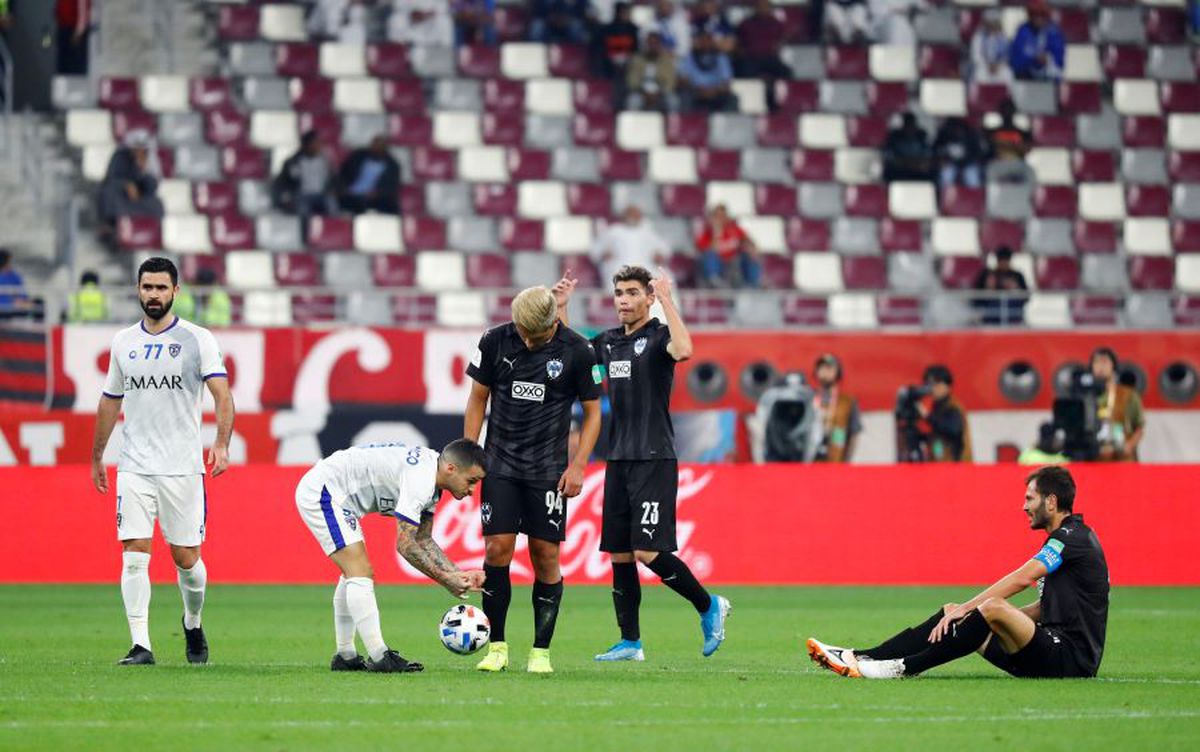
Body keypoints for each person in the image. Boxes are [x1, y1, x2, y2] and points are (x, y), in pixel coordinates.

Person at [557, 265, 730, 662]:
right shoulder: (609, 342)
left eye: (633, 293)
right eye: (619, 293)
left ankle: (709, 606)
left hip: (654, 457)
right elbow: (572, 352)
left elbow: (686, 351)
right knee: (619, 552)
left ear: (648, 299)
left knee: (646, 552)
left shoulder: (659, 337)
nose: (623, 300)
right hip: (618, 457)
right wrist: (563, 307)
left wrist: (668, 297)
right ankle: (631, 642)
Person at [809, 466, 1109, 679]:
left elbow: (1022, 578)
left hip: (1070, 661)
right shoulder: (1068, 539)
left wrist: (978, 610)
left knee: (985, 608)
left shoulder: (1071, 538)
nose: (1023, 506)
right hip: (1044, 655)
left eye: (1030, 499)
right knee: (957, 612)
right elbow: (1047, 608)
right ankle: (862, 656)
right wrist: (980, 617)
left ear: (1052, 502)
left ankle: (902, 668)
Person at [90, 257, 235, 666]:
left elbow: (222, 396)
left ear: (175, 292)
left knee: (186, 560)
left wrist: (221, 443)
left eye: (160, 288)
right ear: (138, 290)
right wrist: (99, 453)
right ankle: (141, 644)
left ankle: (192, 621)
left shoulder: (197, 339)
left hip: (182, 468)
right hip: (134, 465)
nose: (153, 295)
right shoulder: (123, 342)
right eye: (147, 287)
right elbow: (110, 400)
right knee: (134, 553)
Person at [464, 283, 602, 674]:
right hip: (501, 465)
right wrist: (469, 453)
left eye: (535, 335)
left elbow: (593, 413)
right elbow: (478, 398)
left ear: (554, 323)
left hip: (548, 471)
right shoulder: (494, 340)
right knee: (496, 551)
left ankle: (540, 651)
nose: (526, 339)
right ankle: (497, 647)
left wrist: (578, 465)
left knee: (546, 556)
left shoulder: (578, 350)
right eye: (521, 331)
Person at [294, 438, 488, 672]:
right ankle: (379, 656)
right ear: (451, 468)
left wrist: (457, 573)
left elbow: (423, 539)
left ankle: (346, 655)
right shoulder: (422, 480)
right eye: (471, 481)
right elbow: (405, 544)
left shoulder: (433, 479)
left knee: (353, 572)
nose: (472, 490)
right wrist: (446, 579)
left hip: (339, 495)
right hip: (325, 490)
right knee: (360, 571)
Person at [273, 130, 337, 239]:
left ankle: (331, 236)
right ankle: (305, 238)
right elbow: (282, 182)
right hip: (301, 195)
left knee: (332, 206)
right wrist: (285, 197)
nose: (318, 147)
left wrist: (332, 190)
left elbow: (332, 180)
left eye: (319, 143)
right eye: (314, 144)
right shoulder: (292, 162)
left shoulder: (324, 161)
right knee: (303, 210)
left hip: (321, 194)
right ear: (306, 145)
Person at [98, 131, 165, 231]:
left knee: (156, 205)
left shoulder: (149, 159)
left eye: (142, 148)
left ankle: (150, 231)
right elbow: (111, 178)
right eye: (137, 147)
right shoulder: (120, 156)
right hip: (120, 194)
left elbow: (151, 188)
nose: (139, 150)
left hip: (139, 198)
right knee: (107, 194)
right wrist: (126, 185)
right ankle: (112, 228)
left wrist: (143, 171)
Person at [1089, 347, 1145, 462]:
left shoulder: (1128, 395)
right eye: (1096, 362)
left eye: (1104, 362)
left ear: (1113, 366)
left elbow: (1139, 427)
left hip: (1122, 458)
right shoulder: (1085, 396)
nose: (1100, 367)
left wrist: (1129, 446)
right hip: (1093, 459)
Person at [590, 205, 671, 284]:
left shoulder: (648, 231)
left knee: (664, 280)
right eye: (630, 213)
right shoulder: (614, 231)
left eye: (636, 214)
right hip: (620, 270)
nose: (633, 216)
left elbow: (664, 249)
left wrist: (660, 255)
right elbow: (596, 251)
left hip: (646, 269)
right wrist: (603, 255)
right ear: (624, 216)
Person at [734, 0, 790, 113]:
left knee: (786, 72)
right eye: (760, 6)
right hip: (751, 59)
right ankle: (754, 104)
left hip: (770, 58)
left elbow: (782, 40)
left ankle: (779, 103)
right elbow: (738, 44)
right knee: (746, 71)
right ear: (755, 7)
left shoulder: (776, 23)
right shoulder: (745, 24)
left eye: (765, 6)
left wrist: (777, 47)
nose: (763, 9)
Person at [695, 203, 762, 288]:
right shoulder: (706, 233)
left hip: (734, 264)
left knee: (750, 256)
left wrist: (750, 248)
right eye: (718, 216)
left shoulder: (734, 229)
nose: (721, 219)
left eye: (723, 216)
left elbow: (749, 242)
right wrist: (717, 233)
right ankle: (716, 283)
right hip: (718, 266)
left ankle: (753, 284)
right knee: (710, 257)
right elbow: (708, 250)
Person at [812, 353, 862, 463]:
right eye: (822, 368)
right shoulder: (809, 398)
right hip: (809, 462)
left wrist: (847, 462)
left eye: (829, 368)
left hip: (836, 460)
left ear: (838, 373)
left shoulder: (847, 402)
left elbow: (854, 433)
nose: (825, 371)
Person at [918, 364, 972, 462]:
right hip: (940, 464)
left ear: (947, 386)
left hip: (956, 467)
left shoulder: (953, 407)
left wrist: (928, 417)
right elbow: (938, 438)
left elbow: (953, 429)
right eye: (929, 384)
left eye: (936, 384)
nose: (932, 389)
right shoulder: (936, 407)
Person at [338, 135, 402, 215]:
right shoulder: (357, 157)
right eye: (375, 145)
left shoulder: (392, 166)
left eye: (380, 146)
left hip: (376, 198)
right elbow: (342, 174)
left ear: (385, 148)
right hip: (352, 195)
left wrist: (378, 193)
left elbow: (392, 187)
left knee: (390, 205)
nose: (377, 148)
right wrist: (344, 188)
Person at [678, 31, 737, 113]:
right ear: (698, 42)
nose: (705, 44)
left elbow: (726, 82)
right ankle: (688, 124)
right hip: (695, 91)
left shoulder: (721, 57)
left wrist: (714, 91)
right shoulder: (689, 58)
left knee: (733, 98)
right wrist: (698, 90)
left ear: (712, 42)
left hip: (717, 92)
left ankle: (729, 124)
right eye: (702, 41)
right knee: (684, 97)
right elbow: (683, 80)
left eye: (707, 41)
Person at [1008, 0, 1063, 82]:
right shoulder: (1022, 31)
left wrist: (1048, 59)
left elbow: (1059, 60)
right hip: (1026, 77)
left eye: (1042, 14)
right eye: (1034, 14)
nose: (1038, 18)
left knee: (1055, 74)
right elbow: (1015, 60)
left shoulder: (1054, 32)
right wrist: (1033, 59)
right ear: (1030, 15)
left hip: (1047, 77)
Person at [972, 246, 1028, 326]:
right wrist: (988, 290)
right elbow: (976, 300)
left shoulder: (1017, 276)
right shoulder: (988, 274)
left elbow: (1026, 298)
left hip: (1012, 314)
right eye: (1001, 261)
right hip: (991, 316)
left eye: (1006, 261)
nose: (1003, 264)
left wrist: (1015, 289)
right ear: (997, 260)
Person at [625, 31, 678, 111]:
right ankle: (633, 123)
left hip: (661, 94)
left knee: (673, 101)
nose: (652, 46)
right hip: (641, 93)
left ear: (659, 45)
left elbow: (670, 82)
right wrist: (643, 92)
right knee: (632, 101)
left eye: (655, 43)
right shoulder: (637, 59)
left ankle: (673, 123)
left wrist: (658, 93)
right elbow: (632, 80)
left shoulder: (667, 60)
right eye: (650, 43)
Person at [985, 98, 1034, 184]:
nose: (1007, 114)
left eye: (1010, 111)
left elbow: (1026, 150)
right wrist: (1012, 146)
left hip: (1017, 164)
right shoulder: (992, 132)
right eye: (1005, 111)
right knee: (990, 171)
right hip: (999, 164)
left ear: (1014, 113)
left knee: (1030, 173)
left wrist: (1005, 145)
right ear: (1000, 114)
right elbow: (989, 150)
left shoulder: (1022, 133)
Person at [933, 117, 985, 190]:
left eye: (958, 127)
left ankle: (975, 197)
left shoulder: (971, 136)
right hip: (950, 163)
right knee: (947, 174)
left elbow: (977, 152)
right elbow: (936, 149)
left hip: (968, 163)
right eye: (953, 127)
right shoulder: (944, 135)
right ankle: (944, 196)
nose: (956, 130)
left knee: (972, 176)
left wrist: (969, 162)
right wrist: (942, 160)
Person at [592, 1, 640, 81]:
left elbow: (636, 49)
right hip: (609, 64)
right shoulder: (606, 29)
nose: (625, 15)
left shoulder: (633, 30)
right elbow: (601, 48)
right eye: (623, 12)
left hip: (628, 64)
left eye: (627, 12)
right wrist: (613, 58)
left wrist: (627, 58)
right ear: (617, 13)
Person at [882, 112, 933, 183]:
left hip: (918, 170)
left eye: (911, 124)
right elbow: (890, 156)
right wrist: (905, 163)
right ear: (903, 125)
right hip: (899, 171)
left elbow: (927, 156)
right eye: (907, 124)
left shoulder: (922, 136)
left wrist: (916, 163)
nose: (909, 128)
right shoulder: (894, 136)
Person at [387, 0, 454, 46]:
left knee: (444, 22)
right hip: (409, 22)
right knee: (396, 21)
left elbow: (443, 6)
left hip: (431, 22)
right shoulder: (397, 20)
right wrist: (414, 12)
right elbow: (398, 5)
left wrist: (430, 13)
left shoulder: (442, 21)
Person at [970, 9, 1010, 83]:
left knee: (1008, 73)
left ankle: (1009, 94)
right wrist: (987, 66)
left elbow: (1006, 55)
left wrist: (998, 65)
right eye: (990, 23)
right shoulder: (978, 37)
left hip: (999, 67)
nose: (992, 25)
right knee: (978, 74)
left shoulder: (1003, 37)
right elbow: (976, 57)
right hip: (984, 67)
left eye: (994, 23)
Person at [56, 0, 91, 75]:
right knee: (64, 65)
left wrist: (79, 31)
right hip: (64, 28)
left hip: (73, 30)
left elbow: (83, 9)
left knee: (74, 66)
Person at [0, 248, 29, 320]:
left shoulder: (15, 276)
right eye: (10, 261)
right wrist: (11, 301)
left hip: (16, 309)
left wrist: (21, 301)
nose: (11, 263)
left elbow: (24, 295)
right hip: (4, 309)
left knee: (38, 302)